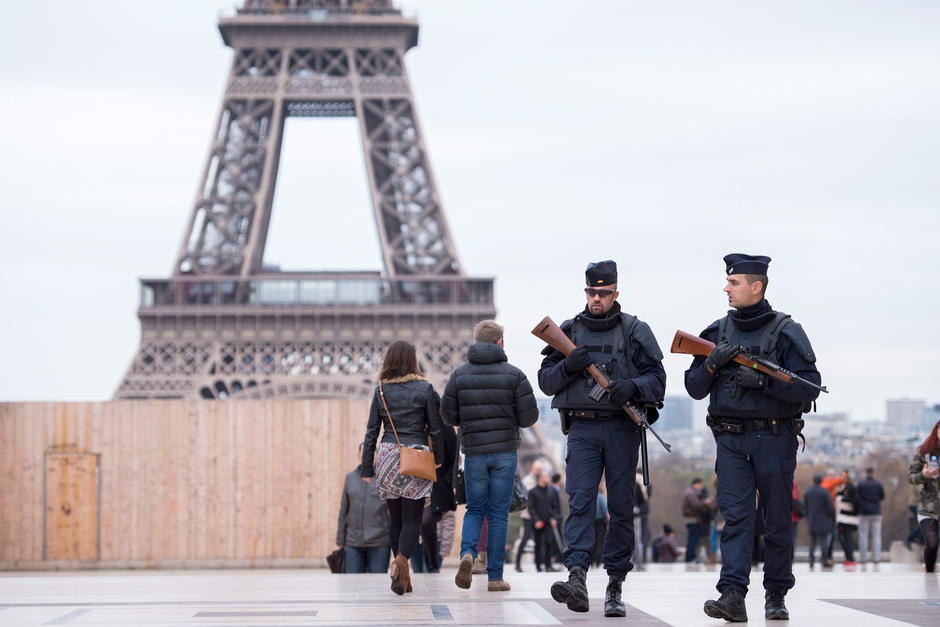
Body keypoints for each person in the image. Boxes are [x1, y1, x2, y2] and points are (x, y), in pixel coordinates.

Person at [683, 253, 822, 622]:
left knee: (776, 518)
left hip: (774, 438)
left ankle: (776, 594)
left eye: (734, 283)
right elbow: (694, 387)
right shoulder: (716, 332)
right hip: (729, 439)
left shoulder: (787, 331)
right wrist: (712, 364)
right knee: (735, 519)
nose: (726, 288)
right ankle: (732, 594)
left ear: (756, 286)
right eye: (727, 282)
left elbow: (808, 388)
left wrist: (763, 382)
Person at [538, 260, 666, 617]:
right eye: (591, 292)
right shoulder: (569, 331)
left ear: (615, 293)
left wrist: (632, 386)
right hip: (581, 428)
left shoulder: (634, 331)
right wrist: (568, 366)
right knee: (579, 500)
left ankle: (615, 584)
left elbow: (658, 380)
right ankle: (576, 575)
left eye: (603, 292)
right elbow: (546, 382)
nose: (596, 298)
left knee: (621, 508)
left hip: (621, 429)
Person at [442, 319, 539, 592]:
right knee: (498, 515)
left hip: (474, 453)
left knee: (475, 509)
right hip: (505, 454)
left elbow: (447, 414)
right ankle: (495, 577)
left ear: (476, 342)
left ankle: (468, 554)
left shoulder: (459, 375)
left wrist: (468, 420)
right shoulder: (515, 375)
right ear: (500, 342)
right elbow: (529, 416)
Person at [361, 340, 445, 595]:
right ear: (412, 360)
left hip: (387, 455)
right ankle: (400, 561)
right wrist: (438, 457)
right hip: (416, 455)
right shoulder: (426, 388)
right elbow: (436, 428)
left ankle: (401, 576)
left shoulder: (381, 390)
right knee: (412, 519)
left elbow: (372, 431)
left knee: (394, 518)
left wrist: (367, 467)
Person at [336, 443, 391, 573]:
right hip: (353, 543)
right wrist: (340, 539)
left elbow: (394, 512)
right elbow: (344, 510)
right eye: (365, 453)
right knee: (353, 585)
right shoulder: (350, 478)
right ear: (359, 455)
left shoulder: (386, 480)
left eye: (372, 453)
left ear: (378, 456)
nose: (368, 456)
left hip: (380, 543)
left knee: (377, 587)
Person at [420, 422, 458, 572]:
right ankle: (429, 565)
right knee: (423, 524)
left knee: (427, 522)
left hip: (440, 487)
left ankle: (432, 565)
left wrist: (449, 481)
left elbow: (454, 457)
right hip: (420, 483)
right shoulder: (419, 427)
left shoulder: (447, 429)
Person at [908, 418, 940, 573]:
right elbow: (911, 477)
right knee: (932, 543)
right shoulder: (924, 451)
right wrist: (924, 474)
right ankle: (929, 571)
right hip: (928, 507)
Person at [529, 472, 561, 572]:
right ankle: (538, 566)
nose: (548, 478)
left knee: (549, 543)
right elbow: (531, 507)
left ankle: (548, 565)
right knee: (538, 544)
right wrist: (536, 520)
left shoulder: (551, 491)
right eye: (546, 476)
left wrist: (554, 518)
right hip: (537, 522)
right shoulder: (532, 491)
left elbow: (555, 507)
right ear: (541, 478)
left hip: (548, 521)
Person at [515, 460, 543, 571]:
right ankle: (517, 563)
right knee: (525, 538)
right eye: (538, 469)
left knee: (538, 540)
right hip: (528, 515)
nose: (539, 471)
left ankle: (538, 565)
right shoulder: (528, 480)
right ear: (533, 468)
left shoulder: (538, 480)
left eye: (540, 470)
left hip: (537, 515)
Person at [804, 473, 834, 569]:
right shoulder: (825, 492)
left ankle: (811, 561)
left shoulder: (808, 492)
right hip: (824, 521)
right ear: (821, 481)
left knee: (812, 542)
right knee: (823, 542)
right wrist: (832, 517)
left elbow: (806, 507)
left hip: (812, 520)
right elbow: (830, 508)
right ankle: (824, 560)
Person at [856, 467, 885, 564]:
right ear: (873, 473)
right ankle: (876, 558)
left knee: (863, 536)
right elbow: (882, 497)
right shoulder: (878, 484)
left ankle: (863, 558)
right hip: (876, 512)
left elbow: (857, 497)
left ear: (866, 473)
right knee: (876, 536)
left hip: (863, 512)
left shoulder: (861, 484)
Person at [682, 478, 710, 563]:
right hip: (692, 519)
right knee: (693, 539)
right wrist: (704, 503)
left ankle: (689, 557)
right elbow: (696, 505)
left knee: (692, 538)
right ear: (697, 484)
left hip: (691, 519)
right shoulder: (691, 493)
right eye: (701, 485)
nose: (701, 487)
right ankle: (690, 558)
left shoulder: (690, 492)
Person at [835, 470, 859, 566]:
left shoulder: (849, 487)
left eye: (843, 476)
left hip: (847, 518)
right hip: (846, 518)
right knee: (845, 538)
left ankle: (850, 558)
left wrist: (840, 499)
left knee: (846, 538)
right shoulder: (845, 487)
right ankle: (849, 558)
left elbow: (852, 501)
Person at [633, 470, 651, 568]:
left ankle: (628, 560)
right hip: (637, 512)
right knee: (638, 537)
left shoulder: (625, 480)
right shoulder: (640, 483)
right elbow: (643, 499)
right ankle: (639, 562)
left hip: (624, 511)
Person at [593, 483, 609, 567]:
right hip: (601, 522)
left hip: (592, 521)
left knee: (593, 541)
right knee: (600, 541)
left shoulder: (592, 496)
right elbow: (604, 508)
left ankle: (592, 560)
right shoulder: (601, 497)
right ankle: (598, 560)